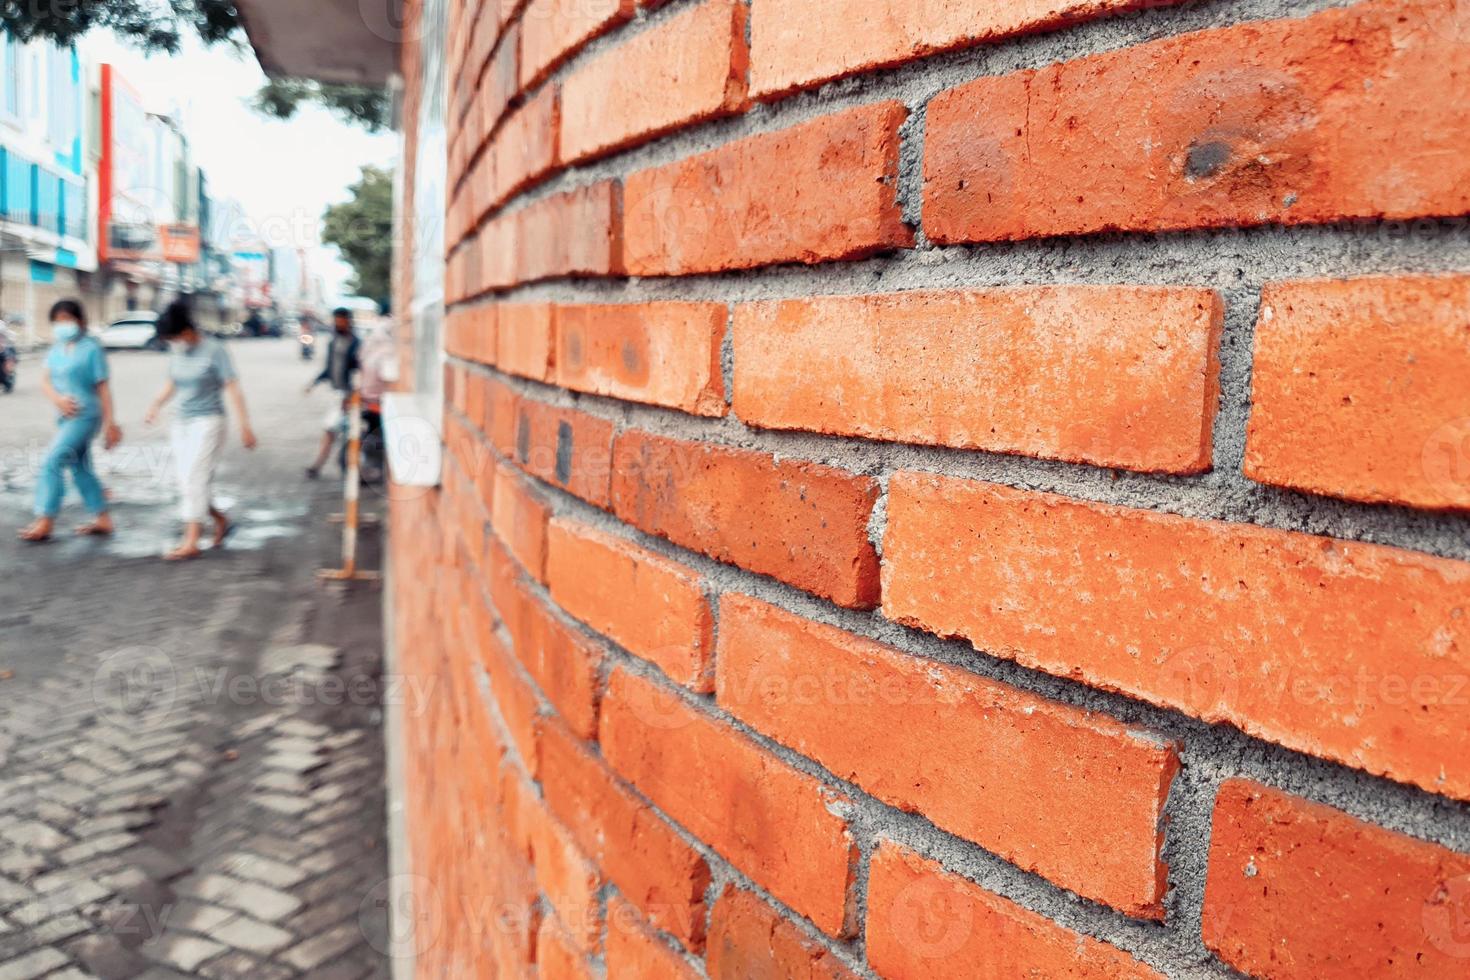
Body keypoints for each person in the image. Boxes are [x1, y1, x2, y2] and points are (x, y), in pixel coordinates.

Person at [144, 299, 258, 561]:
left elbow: (232, 387)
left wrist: (245, 426)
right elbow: (173, 383)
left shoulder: (215, 349)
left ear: (187, 332)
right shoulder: (177, 351)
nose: (172, 343)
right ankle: (220, 519)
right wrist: (155, 405)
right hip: (181, 421)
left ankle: (191, 540)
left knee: (195, 476)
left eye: (173, 337)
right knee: (186, 481)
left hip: (208, 421)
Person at [19, 301, 122, 542]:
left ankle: (45, 518)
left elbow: (103, 388)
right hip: (64, 417)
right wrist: (58, 400)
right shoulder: (56, 349)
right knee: (79, 466)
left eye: (66, 318)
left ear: (80, 321)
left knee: (52, 461)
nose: (61, 324)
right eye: (57, 320)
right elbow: (44, 381)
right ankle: (103, 518)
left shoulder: (91, 349)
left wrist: (111, 423)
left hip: (86, 415)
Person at [304, 307, 361, 479]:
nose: (339, 323)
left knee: (337, 430)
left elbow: (358, 372)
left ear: (348, 321)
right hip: (336, 393)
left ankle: (334, 465)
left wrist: (352, 395)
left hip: (348, 395)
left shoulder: (356, 343)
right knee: (332, 430)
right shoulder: (333, 341)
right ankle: (324, 464)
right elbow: (329, 368)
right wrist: (314, 382)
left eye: (342, 320)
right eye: (336, 320)